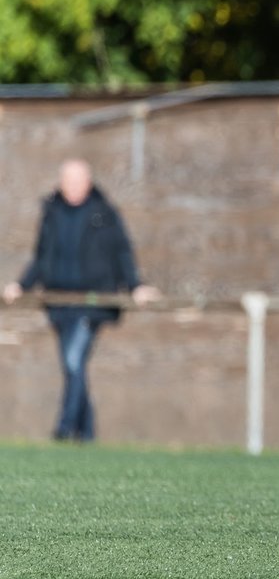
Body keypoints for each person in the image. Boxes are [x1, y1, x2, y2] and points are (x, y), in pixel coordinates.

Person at [3, 159, 161, 442]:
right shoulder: (51, 212)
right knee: (71, 365)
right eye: (69, 181)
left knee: (74, 360)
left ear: (88, 183)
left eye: (78, 181)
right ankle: (86, 433)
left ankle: (64, 429)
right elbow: (41, 258)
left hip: (94, 302)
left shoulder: (104, 213)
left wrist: (136, 285)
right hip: (59, 302)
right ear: (60, 183)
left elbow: (122, 252)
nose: (73, 187)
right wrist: (20, 285)